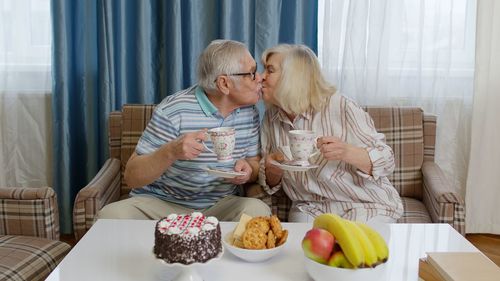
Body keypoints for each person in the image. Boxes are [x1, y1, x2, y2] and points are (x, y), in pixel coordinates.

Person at [98, 40, 271, 221]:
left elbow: (254, 162)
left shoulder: (249, 112)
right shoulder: (173, 110)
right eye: (251, 73)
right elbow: (132, 177)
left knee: (257, 211)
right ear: (224, 84)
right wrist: (171, 151)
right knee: (110, 215)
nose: (259, 78)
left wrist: (248, 170)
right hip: (163, 204)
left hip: (220, 205)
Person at [258, 44, 403, 223]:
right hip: (310, 207)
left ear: (292, 76)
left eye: (269, 70)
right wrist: (273, 170)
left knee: (354, 247)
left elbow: (387, 160)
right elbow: (272, 184)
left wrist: (347, 152)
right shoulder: (270, 118)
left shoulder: (340, 106)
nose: (260, 77)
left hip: (364, 203)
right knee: (301, 248)